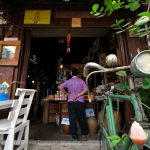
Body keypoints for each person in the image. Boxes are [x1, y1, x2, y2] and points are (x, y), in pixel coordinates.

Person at [58, 69, 88, 140]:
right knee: (82, 118)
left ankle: (74, 136)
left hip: (71, 102)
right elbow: (86, 89)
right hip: (80, 102)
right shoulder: (81, 81)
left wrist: (66, 93)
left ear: (72, 74)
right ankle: (84, 133)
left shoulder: (68, 81)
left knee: (72, 118)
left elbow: (59, 87)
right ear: (78, 74)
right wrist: (78, 95)